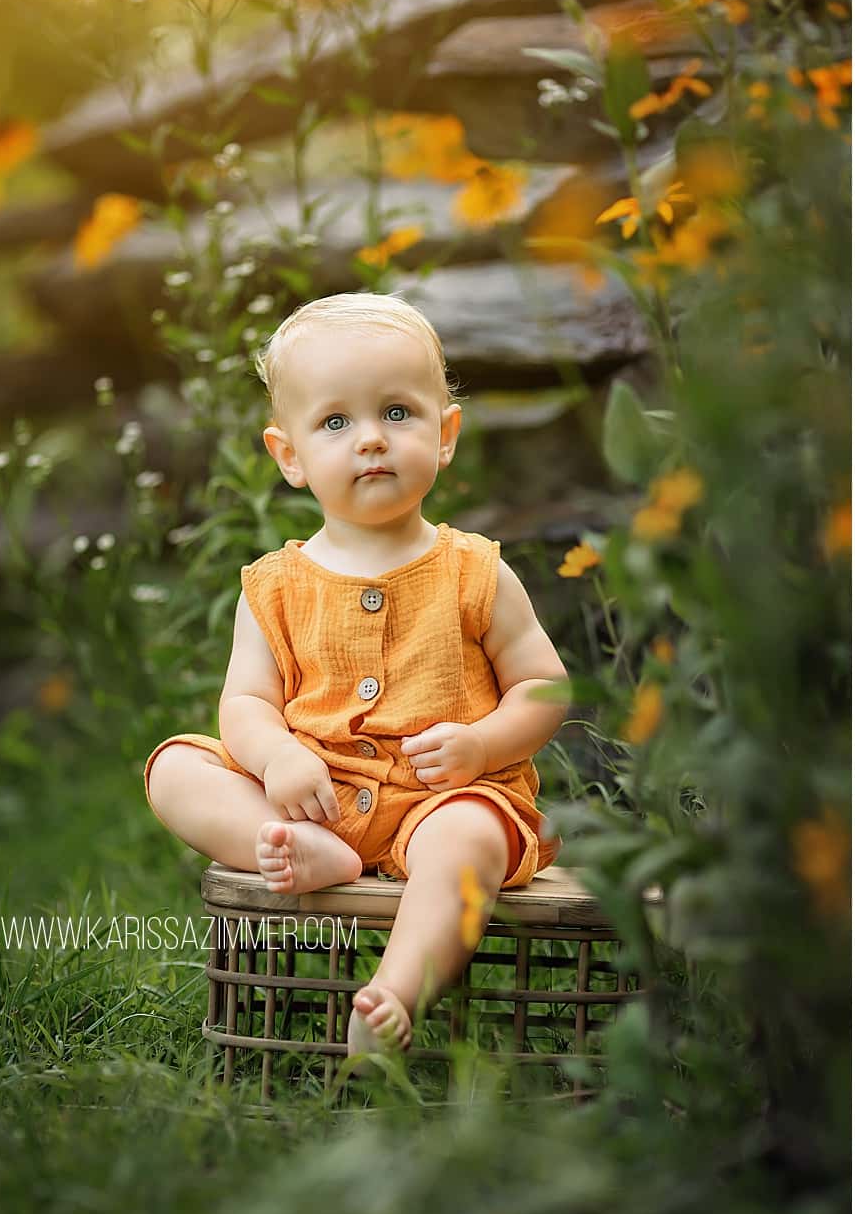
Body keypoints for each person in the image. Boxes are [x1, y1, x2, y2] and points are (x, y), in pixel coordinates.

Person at [143, 292, 569, 1057]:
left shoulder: (474, 571)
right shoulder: (275, 586)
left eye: (398, 413)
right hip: (316, 796)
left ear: (445, 436)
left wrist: (479, 745)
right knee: (174, 769)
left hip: (444, 797)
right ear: (290, 456)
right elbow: (245, 702)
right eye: (336, 422)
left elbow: (546, 685)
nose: (371, 439)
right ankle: (299, 847)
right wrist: (277, 755)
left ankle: (395, 991)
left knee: (468, 838)